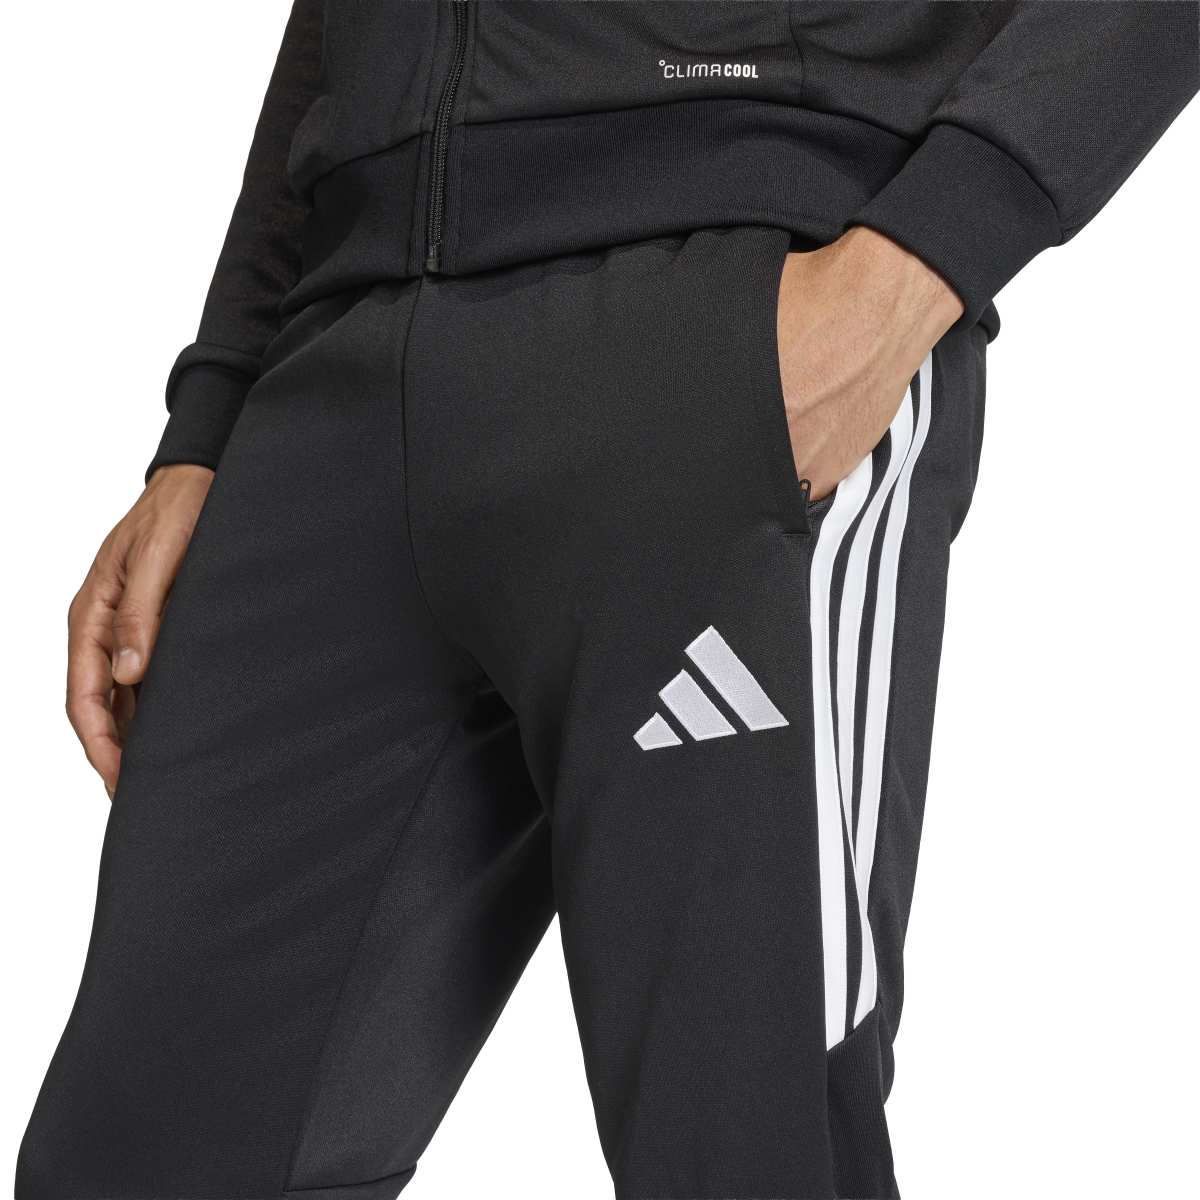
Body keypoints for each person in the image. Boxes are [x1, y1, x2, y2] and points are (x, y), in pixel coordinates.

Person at [17, 3, 1197, 1198]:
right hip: (337, 368)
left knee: (747, 1149)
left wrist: (920, 258)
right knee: (135, 1160)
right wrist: (210, 416)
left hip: (727, 327)